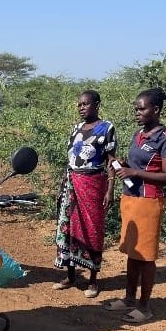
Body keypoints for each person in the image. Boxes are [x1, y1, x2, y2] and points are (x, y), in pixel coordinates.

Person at [105, 88, 166, 323]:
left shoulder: (164, 138)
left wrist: (134, 171)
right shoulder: (138, 134)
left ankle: (145, 307)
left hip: (149, 201)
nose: (137, 112)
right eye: (136, 108)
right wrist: (122, 165)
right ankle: (128, 298)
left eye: (142, 108)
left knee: (146, 257)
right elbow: (136, 166)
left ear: (156, 110)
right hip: (131, 198)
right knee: (132, 251)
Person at [53, 90, 118, 298]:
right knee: (70, 228)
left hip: (93, 184)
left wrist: (111, 189)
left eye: (85, 104)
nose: (81, 108)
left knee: (92, 230)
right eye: (79, 104)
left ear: (96, 105)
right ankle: (71, 276)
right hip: (72, 183)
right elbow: (70, 160)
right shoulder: (77, 128)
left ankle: (93, 280)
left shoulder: (106, 128)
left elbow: (111, 161)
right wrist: (62, 186)